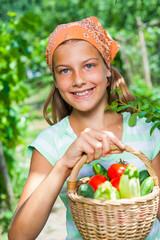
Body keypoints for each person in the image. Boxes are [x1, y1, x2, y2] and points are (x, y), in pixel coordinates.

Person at [8, 16, 160, 240]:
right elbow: (19, 236)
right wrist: (63, 166)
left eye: (89, 66)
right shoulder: (51, 143)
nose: (78, 80)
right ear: (56, 80)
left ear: (107, 69)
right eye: (65, 71)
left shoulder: (147, 131)